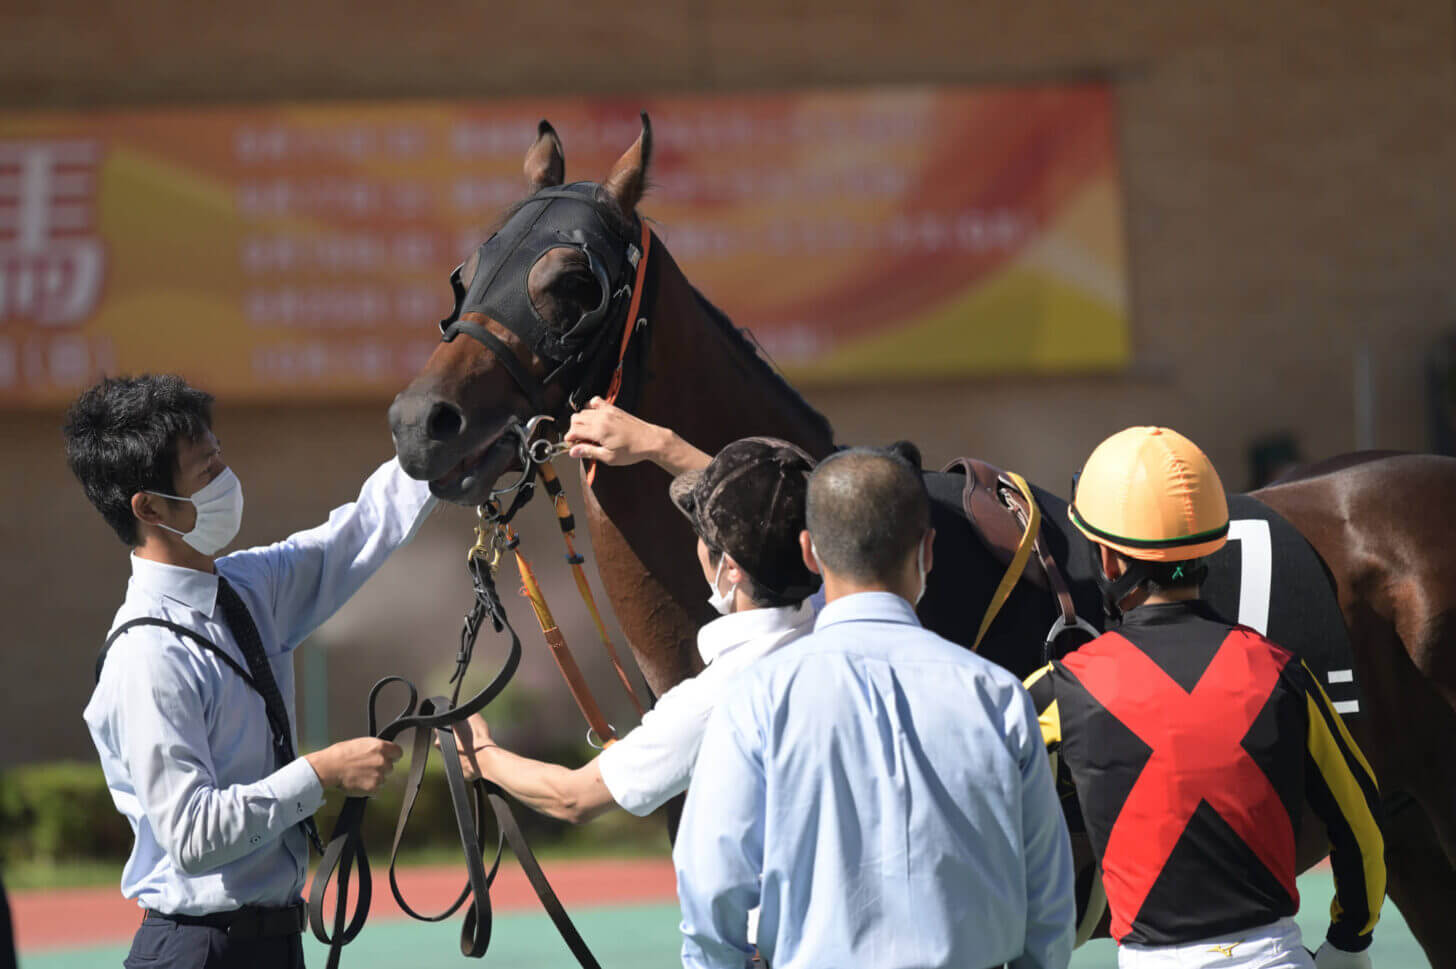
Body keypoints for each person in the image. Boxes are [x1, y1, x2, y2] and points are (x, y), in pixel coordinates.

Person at [66, 374, 435, 969]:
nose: (227, 480)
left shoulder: (244, 586)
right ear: (151, 507)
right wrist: (321, 772)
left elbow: (360, 530)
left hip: (273, 941)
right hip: (196, 949)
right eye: (206, 472)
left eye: (220, 459)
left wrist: (442, 445)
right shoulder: (148, 655)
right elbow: (193, 836)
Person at [674, 447, 1077, 969]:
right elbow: (1048, 898)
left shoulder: (757, 699)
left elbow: (713, 886)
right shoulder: (998, 696)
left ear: (809, 553)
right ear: (928, 551)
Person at [1024, 426, 1386, 969]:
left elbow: (983, 823)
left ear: (1108, 561)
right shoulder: (1283, 671)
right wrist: (1350, 940)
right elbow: (1361, 827)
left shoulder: (1061, 688)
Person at [445, 398, 820, 830]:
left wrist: (481, 756)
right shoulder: (833, 617)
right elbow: (783, 516)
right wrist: (659, 444)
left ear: (730, 569)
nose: (696, 542)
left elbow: (572, 798)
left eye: (702, 533)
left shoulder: (715, 701)